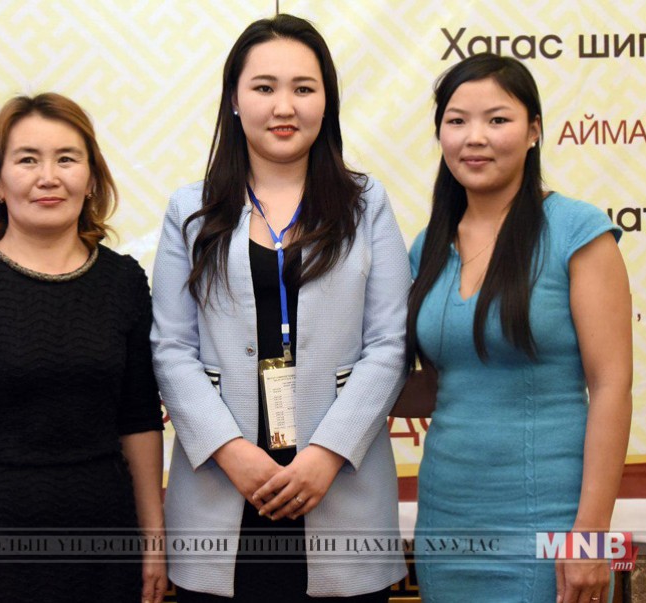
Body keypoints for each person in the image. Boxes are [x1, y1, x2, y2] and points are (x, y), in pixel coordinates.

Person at [150, 14, 410, 602]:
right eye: (264, 87)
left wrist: (327, 454)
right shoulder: (190, 210)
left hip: (340, 486)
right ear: (234, 100)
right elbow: (170, 349)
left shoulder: (367, 204)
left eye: (304, 88)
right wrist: (232, 452)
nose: (284, 106)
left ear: (327, 101)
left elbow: (390, 345)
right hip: (222, 486)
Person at [0, 93, 167, 603]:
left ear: (91, 179)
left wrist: (154, 543)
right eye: (27, 160)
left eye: (66, 159)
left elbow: (140, 421)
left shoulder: (124, 282)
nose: (48, 177)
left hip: (106, 537)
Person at [406, 53, 632, 603]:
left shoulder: (577, 230)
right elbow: (438, 386)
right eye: (457, 121)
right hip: (446, 521)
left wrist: (590, 536)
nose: (475, 137)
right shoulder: (427, 246)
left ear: (533, 131)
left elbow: (612, 386)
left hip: (548, 519)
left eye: (497, 119)